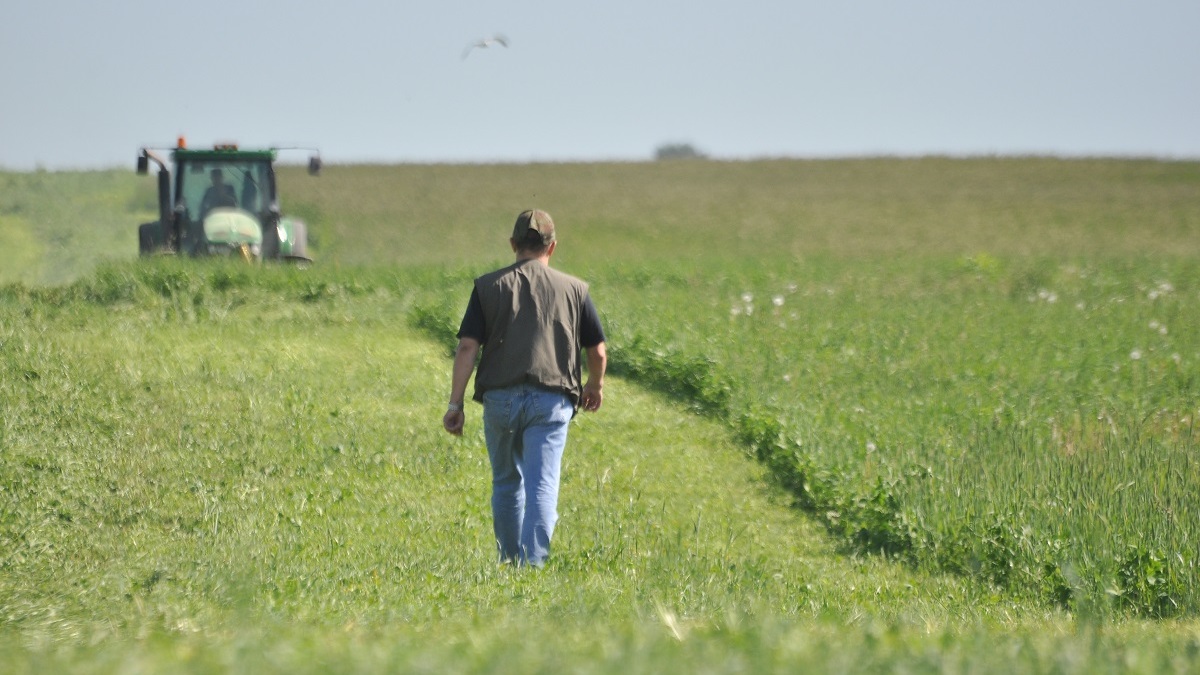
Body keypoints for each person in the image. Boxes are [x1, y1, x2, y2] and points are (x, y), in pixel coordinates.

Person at [443, 209, 607, 567]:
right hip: (550, 403)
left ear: (513, 244)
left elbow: (468, 347)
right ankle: (533, 567)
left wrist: (456, 405)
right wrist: (594, 385)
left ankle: (508, 560)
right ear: (553, 246)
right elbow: (596, 350)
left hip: (499, 400)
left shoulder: (487, 286)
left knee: (506, 483)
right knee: (542, 486)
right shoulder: (575, 290)